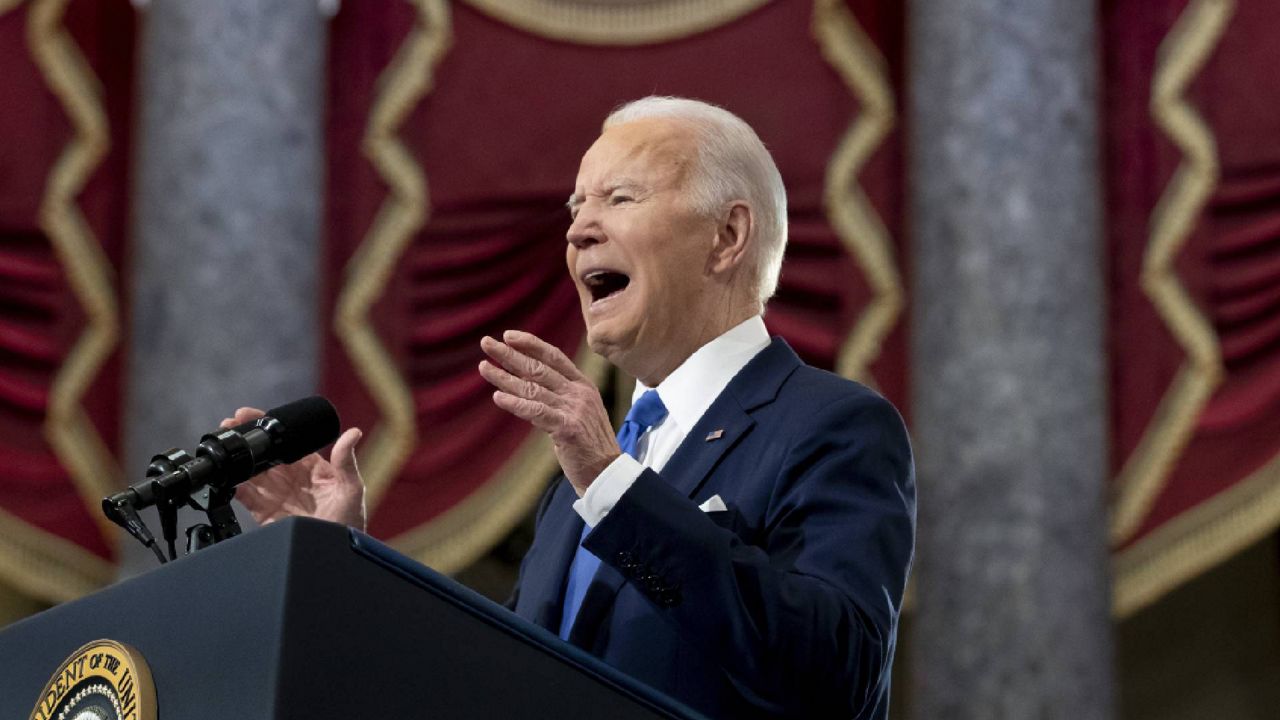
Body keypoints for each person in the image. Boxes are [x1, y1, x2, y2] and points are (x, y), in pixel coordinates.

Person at [227, 97, 915, 720]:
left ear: (727, 236)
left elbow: (838, 677)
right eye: (575, 207)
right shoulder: (575, 493)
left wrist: (616, 487)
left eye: (619, 198)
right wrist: (344, 563)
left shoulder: (832, 426)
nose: (579, 229)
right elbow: (485, 683)